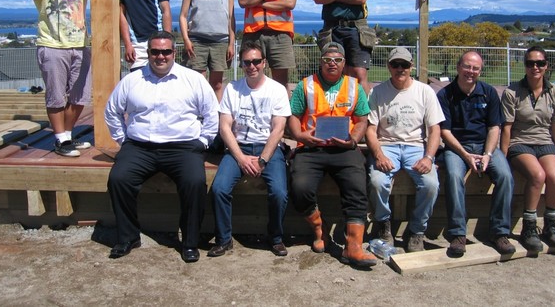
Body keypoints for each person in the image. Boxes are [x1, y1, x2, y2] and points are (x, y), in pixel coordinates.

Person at [105, 31, 219, 262]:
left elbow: (211, 113)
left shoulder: (192, 79)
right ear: (147, 53)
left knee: (195, 183)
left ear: (173, 53)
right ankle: (128, 237)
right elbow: (112, 111)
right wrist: (123, 140)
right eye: (155, 51)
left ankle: (189, 241)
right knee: (118, 179)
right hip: (139, 147)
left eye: (166, 51)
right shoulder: (132, 80)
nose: (161, 56)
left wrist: (203, 142)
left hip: (183, 147)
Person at [288, 42, 377, 267]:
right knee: (300, 187)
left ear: (344, 63)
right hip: (311, 147)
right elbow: (293, 117)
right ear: (321, 62)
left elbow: (362, 120)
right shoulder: (305, 86)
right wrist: (301, 135)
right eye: (327, 59)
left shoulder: (354, 86)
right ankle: (320, 230)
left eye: (337, 60)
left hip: (344, 148)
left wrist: (353, 140)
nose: (332, 64)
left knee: (357, 185)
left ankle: (354, 246)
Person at [27, 0, 111, 158]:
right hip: (52, 46)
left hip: (80, 46)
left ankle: (66, 135)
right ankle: (60, 139)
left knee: (79, 96)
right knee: (56, 96)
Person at [209, 42, 290, 257]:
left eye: (256, 61)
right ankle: (224, 239)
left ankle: (275, 237)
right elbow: (225, 127)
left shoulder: (277, 90)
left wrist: (262, 160)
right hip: (239, 147)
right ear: (242, 64)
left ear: (264, 63)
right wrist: (242, 159)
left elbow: (278, 129)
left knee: (280, 193)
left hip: (269, 148)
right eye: (247, 62)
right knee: (219, 189)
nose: (252, 66)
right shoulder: (232, 89)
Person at [437, 51, 516, 256]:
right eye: (467, 66)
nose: (470, 72)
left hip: (484, 146)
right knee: (454, 177)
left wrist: (488, 154)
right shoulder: (445, 95)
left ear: (480, 71)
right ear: (458, 67)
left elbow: (494, 127)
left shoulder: (489, 93)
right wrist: (466, 155)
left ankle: (499, 232)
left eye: (475, 68)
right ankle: (457, 234)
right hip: (457, 147)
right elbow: (445, 132)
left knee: (506, 176)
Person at [365, 47, 444, 252]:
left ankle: (417, 230)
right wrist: (379, 154)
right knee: (377, 181)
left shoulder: (424, 91)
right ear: (388, 66)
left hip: (416, 146)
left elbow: (435, 129)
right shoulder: (377, 92)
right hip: (387, 145)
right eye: (395, 65)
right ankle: (383, 224)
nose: (400, 69)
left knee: (430, 184)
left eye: (405, 65)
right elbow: (371, 129)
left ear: (411, 66)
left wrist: (428, 157)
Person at [501, 45, 555, 252]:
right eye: (530, 63)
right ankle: (529, 226)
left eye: (540, 63)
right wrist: (502, 158)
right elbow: (507, 128)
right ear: (525, 66)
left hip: (545, 142)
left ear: (547, 66)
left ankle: (550, 224)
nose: (535, 67)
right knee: (537, 175)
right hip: (520, 142)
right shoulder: (512, 92)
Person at [179, 0, 235, 101]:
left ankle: (217, 119)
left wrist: (231, 43)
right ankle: (199, 118)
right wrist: (186, 40)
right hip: (197, 41)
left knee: (217, 84)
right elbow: (183, 16)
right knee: (198, 85)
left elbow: (231, 17)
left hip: (220, 42)